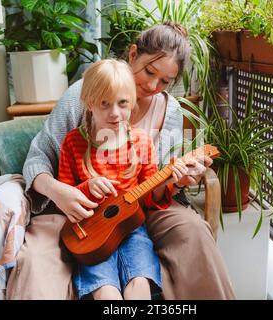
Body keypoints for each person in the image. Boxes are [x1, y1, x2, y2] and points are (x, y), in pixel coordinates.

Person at [6, 22, 235, 300]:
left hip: (143, 209)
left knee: (194, 233)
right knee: (36, 260)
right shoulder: (88, 92)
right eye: (150, 71)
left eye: (165, 81)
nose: (152, 86)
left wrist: (179, 181)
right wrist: (60, 191)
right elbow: (38, 157)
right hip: (78, 209)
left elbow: (159, 182)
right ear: (133, 53)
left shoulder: (170, 111)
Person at [58, 59, 188, 300]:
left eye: (122, 103)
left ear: (132, 104)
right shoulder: (73, 143)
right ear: (89, 103)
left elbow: (149, 199)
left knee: (139, 284)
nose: (115, 113)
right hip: (91, 231)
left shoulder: (142, 143)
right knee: (105, 291)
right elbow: (64, 195)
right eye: (104, 104)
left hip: (132, 229)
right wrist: (87, 187)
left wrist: (171, 182)